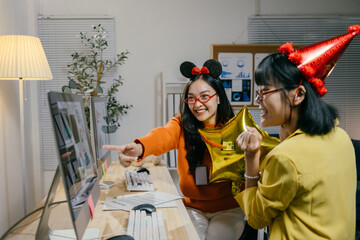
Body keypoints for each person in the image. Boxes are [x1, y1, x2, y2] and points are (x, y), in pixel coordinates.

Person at [235, 25, 359, 239]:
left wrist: (251, 158)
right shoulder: (341, 137)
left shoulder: (284, 158)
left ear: (299, 94)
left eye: (265, 91)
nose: (258, 100)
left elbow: (255, 218)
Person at [104, 59, 245, 240]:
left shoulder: (236, 128)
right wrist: (138, 148)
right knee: (188, 236)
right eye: (191, 98)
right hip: (194, 208)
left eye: (204, 96)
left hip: (228, 209)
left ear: (218, 97)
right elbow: (163, 136)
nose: (197, 104)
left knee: (217, 235)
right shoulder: (181, 124)